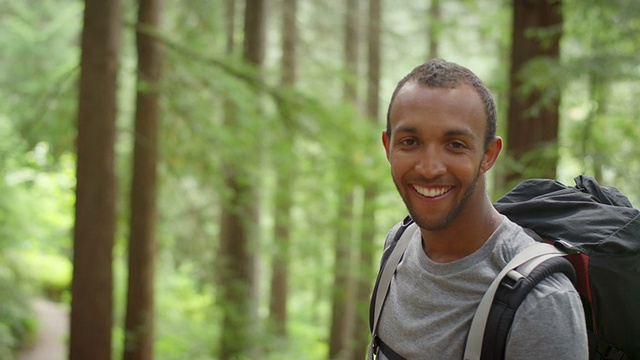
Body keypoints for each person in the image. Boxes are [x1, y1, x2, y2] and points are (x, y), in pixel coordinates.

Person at [374, 59, 588, 359]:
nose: (430, 167)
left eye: (455, 145)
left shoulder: (541, 301)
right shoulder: (398, 244)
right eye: (410, 142)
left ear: (489, 154)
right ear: (388, 147)